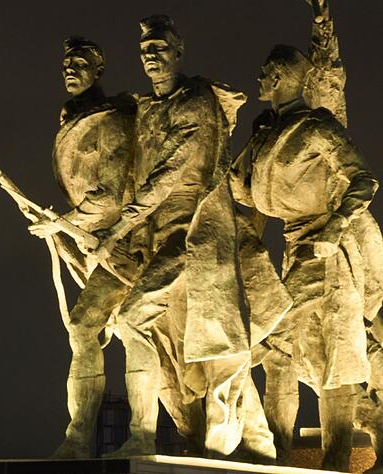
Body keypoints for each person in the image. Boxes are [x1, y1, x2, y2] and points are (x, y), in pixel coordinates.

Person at [97, 15, 278, 460]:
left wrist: (116, 230)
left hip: (192, 236)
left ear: (178, 52)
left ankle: (142, 436)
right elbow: (132, 177)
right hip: (156, 237)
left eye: (159, 47)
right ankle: (261, 441)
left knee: (135, 318)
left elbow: (165, 176)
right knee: (210, 350)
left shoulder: (194, 101)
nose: (151, 56)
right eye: (145, 50)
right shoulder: (149, 109)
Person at [230, 1, 383, 469]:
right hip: (295, 250)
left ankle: (333, 457)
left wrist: (336, 225)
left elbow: (364, 180)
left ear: (280, 76)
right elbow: (245, 192)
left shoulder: (319, 124)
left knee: (323, 351)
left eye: (264, 72)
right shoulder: (267, 134)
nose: (258, 78)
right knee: (283, 351)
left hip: (332, 250)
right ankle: (275, 451)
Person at [28, 36, 139, 458]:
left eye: (79, 64)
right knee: (84, 327)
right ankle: (78, 439)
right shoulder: (72, 120)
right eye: (66, 65)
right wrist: (62, 224)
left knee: (128, 329)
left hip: (127, 246)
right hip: (96, 249)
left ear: (98, 71)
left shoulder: (110, 120)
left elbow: (111, 197)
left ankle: (140, 434)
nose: (69, 71)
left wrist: (62, 222)